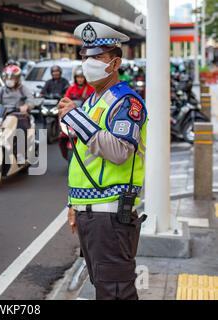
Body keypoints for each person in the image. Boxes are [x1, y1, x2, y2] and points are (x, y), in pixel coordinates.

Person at [58, 22, 148, 300]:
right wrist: (74, 205)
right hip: (91, 213)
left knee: (115, 292)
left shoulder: (126, 102)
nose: (89, 63)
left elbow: (120, 151)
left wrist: (75, 117)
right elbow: (82, 162)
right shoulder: (92, 102)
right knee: (104, 287)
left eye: (97, 57)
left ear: (115, 62)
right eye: (86, 57)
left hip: (110, 214)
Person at [0, 64, 35, 162]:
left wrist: (26, 106)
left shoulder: (23, 89)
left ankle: (21, 152)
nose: (9, 80)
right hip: (4, 115)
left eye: (12, 78)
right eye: (7, 77)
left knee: (20, 130)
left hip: (20, 116)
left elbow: (31, 100)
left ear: (18, 79)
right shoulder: (2, 90)